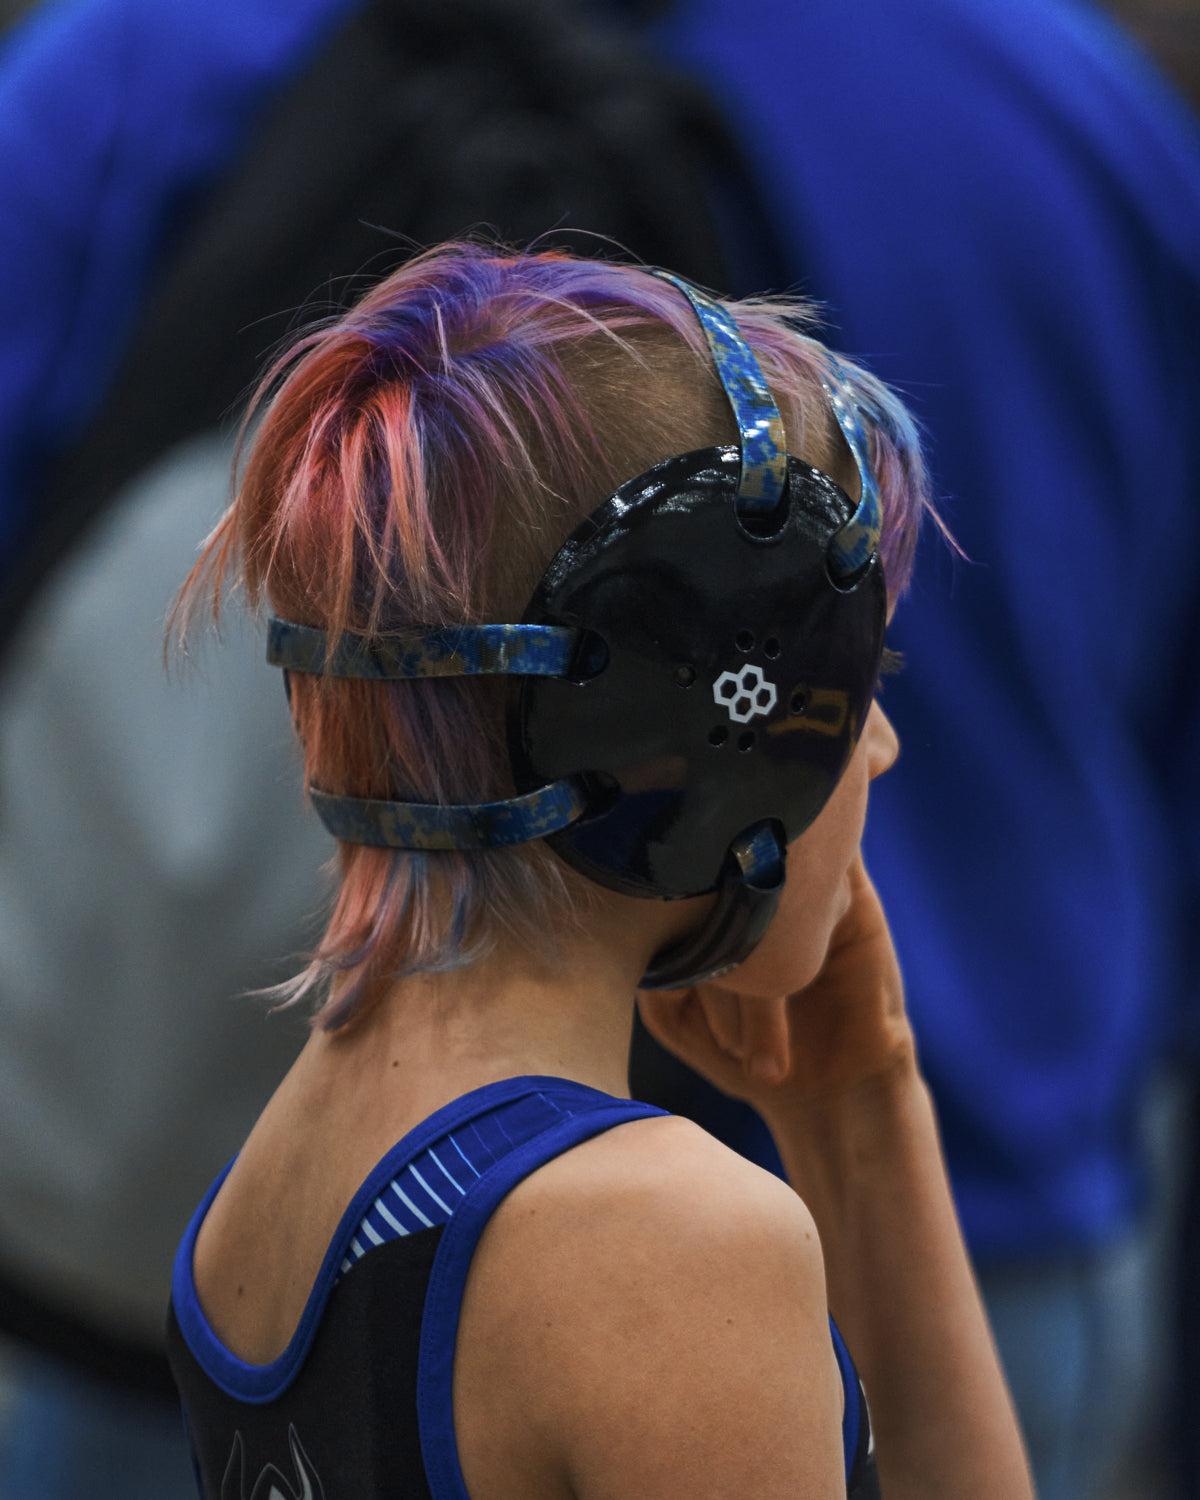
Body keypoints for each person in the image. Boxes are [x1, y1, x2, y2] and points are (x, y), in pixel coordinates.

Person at [165, 242, 1032, 1498]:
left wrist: (860, 1117)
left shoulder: (280, 1173)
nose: (882, 749)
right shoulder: (666, 1246)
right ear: (716, 722)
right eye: (861, 686)